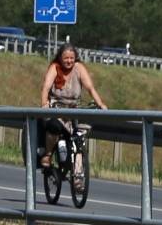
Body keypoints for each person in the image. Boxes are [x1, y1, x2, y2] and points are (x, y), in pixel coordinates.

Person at [37, 45, 109, 178]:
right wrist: (44, 104)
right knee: (53, 127)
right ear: (60, 58)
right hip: (56, 109)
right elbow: (45, 88)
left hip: (74, 109)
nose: (69, 61)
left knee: (80, 138)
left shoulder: (79, 68)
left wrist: (101, 104)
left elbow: (90, 88)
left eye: (71, 58)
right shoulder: (54, 67)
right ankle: (48, 154)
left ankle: (78, 174)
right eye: (66, 58)